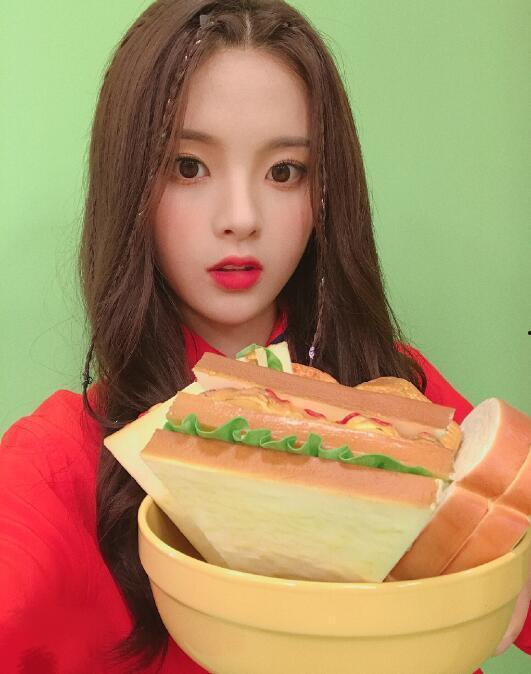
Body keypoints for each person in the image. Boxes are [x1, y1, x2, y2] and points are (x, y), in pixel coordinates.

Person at [1, 1, 529, 673]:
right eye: (187, 166)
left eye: (284, 171)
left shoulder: (406, 400)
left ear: (325, 190)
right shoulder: (59, 460)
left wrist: (503, 581)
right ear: (129, 182)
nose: (241, 217)